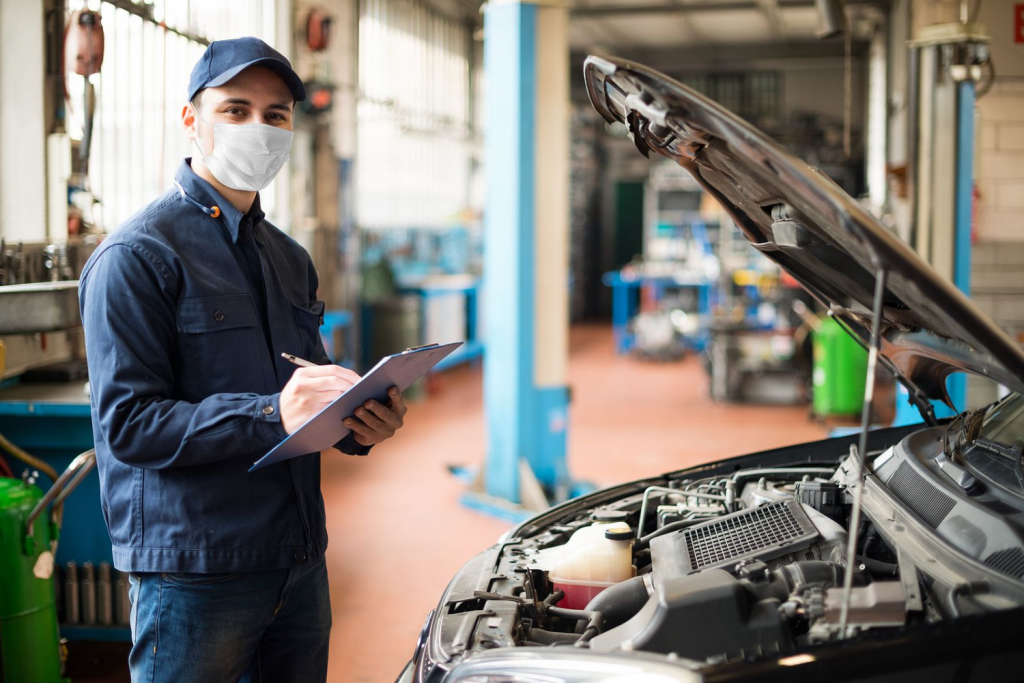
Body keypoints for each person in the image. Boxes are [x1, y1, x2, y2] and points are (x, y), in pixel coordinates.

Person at [79, 37, 407, 682]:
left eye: (276, 115)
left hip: (299, 556)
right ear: (190, 120)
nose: (259, 129)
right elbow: (128, 425)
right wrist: (269, 413)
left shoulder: (288, 258)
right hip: (198, 569)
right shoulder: (137, 258)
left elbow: (307, 392)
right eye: (235, 110)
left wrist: (360, 423)